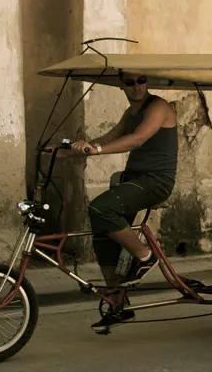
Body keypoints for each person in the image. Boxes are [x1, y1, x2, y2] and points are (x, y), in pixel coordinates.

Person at [60, 72, 178, 329]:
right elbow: (110, 137)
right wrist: (70, 152)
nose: (136, 87)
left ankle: (146, 257)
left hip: (155, 181)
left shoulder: (159, 106)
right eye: (129, 82)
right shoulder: (131, 113)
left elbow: (137, 139)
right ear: (120, 86)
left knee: (100, 207)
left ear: (147, 82)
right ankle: (118, 304)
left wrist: (98, 150)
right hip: (133, 179)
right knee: (102, 229)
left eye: (141, 80)